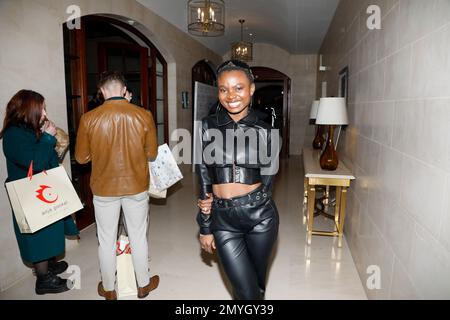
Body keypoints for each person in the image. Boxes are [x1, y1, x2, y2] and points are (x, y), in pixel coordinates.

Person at [196, 60, 281, 300]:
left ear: (252, 89)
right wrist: (205, 224)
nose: (230, 95)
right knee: (245, 289)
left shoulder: (266, 130)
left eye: (238, 88)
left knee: (257, 285)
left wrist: (254, 204)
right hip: (223, 220)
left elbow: (268, 179)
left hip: (260, 217)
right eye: (223, 89)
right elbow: (203, 173)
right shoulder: (206, 126)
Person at [75, 71, 159, 300]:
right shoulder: (144, 115)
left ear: (101, 92)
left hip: (104, 188)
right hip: (136, 186)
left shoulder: (89, 118)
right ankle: (143, 284)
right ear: (124, 90)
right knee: (138, 236)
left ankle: (109, 289)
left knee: (106, 239)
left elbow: (81, 158)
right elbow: (152, 153)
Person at [1, 89, 79, 295]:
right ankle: (44, 279)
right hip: (29, 194)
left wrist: (51, 139)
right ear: (28, 110)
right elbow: (35, 162)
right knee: (38, 236)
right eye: (41, 108)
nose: (44, 113)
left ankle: (49, 265)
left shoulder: (28, 129)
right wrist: (47, 138)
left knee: (49, 229)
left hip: (42, 189)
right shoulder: (13, 134)